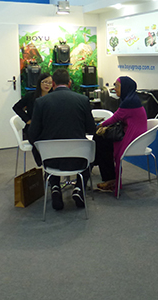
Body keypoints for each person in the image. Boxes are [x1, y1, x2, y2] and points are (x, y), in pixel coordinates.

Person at [28, 69, 95, 210]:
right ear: (69, 83)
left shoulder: (41, 102)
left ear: (53, 84)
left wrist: (40, 150)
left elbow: (32, 133)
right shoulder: (83, 100)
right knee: (92, 153)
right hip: (78, 157)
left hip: (51, 159)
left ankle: (55, 187)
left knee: (50, 147)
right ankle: (78, 188)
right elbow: (91, 129)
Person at [96, 76, 147, 195]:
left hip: (133, 138)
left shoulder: (129, 102)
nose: (115, 88)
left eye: (117, 86)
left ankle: (110, 178)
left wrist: (100, 125)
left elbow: (116, 117)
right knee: (103, 142)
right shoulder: (131, 99)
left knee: (102, 141)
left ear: (125, 88)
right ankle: (110, 177)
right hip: (137, 135)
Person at [12, 72, 52, 138]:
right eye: (45, 82)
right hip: (34, 129)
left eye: (50, 83)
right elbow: (16, 107)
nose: (47, 85)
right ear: (39, 82)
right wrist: (27, 120)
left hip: (48, 128)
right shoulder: (30, 96)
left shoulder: (53, 97)